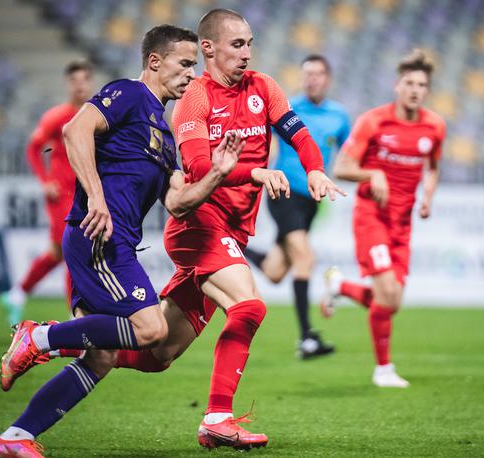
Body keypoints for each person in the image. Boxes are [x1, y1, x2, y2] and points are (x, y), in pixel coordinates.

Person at [0, 25, 245, 457]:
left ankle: (15, 438)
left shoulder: (164, 138)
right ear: (155, 61)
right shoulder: (128, 94)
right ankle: (37, 339)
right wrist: (95, 195)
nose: (191, 75)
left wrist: (218, 173)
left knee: (102, 357)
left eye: (194, 67)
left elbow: (180, 202)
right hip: (99, 237)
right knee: (151, 329)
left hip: (113, 243)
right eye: (185, 64)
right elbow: (75, 131)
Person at [163, 9, 343, 450]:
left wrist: (316, 170)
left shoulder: (264, 87)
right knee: (249, 306)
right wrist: (256, 173)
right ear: (208, 49)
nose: (247, 53)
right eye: (236, 44)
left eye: (249, 43)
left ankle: (50, 339)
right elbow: (201, 169)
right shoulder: (196, 99)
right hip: (199, 224)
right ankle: (217, 419)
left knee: (156, 351)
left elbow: (299, 134)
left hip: (233, 231)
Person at [321, 49, 446, 388]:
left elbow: (433, 168)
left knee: (391, 301)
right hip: (371, 217)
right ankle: (383, 370)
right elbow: (341, 167)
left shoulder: (434, 126)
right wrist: (370, 174)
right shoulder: (374, 121)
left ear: (427, 90)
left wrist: (428, 197)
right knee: (387, 292)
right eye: (409, 83)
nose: (415, 89)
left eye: (421, 84)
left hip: (403, 223)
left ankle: (339, 286)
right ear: (397, 85)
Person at [243, 54, 351, 359]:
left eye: (318, 74)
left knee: (276, 272)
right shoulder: (288, 108)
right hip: (284, 194)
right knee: (305, 257)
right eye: (307, 74)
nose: (312, 79)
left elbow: (348, 153)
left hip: (311, 203)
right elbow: (257, 137)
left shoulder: (339, 116)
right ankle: (306, 339)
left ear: (327, 78)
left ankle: (235, 247)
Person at [0, 60, 94, 326]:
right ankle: (74, 315)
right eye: (75, 80)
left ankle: (17, 294)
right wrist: (44, 181)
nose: (80, 85)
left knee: (57, 253)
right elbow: (33, 148)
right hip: (61, 195)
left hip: (83, 193)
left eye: (84, 79)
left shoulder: (93, 115)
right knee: (73, 248)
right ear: (68, 84)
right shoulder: (57, 117)